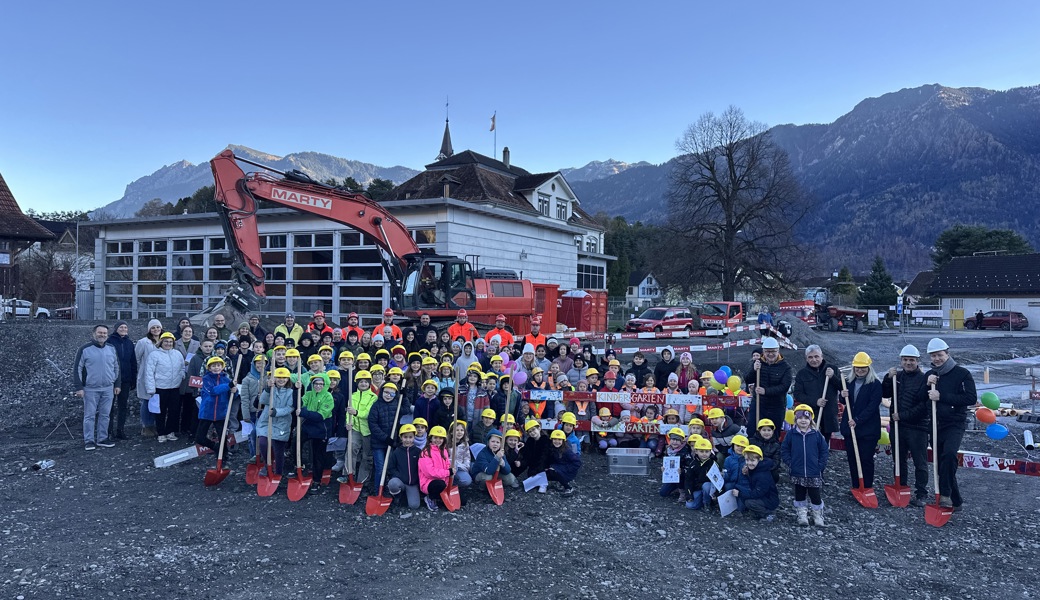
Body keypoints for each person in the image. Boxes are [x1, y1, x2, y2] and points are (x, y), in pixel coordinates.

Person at [918, 337, 976, 511]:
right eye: (933, 356)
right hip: (935, 423)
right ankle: (955, 500)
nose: (937, 359)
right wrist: (927, 386)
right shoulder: (930, 375)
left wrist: (941, 396)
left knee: (950, 455)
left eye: (940, 355)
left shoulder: (962, 373)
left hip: (954, 423)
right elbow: (920, 398)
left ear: (947, 354)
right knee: (941, 462)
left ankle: (944, 494)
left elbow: (970, 398)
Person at [882, 344, 931, 507]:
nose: (908, 363)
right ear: (901, 361)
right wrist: (888, 378)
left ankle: (921, 493)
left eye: (911, 360)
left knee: (920, 461)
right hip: (898, 427)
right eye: (905, 360)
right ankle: (901, 487)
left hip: (917, 428)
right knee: (899, 459)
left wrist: (902, 416)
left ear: (917, 360)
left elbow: (924, 406)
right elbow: (885, 393)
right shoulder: (898, 377)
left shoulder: (924, 379)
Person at [840, 352, 883, 490]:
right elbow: (845, 401)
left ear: (869, 367)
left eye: (863, 367)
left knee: (866, 459)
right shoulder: (848, 382)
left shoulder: (875, 384)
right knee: (852, 459)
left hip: (868, 429)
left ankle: (867, 487)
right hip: (850, 428)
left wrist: (857, 420)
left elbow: (872, 406)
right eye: (857, 367)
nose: (860, 370)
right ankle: (856, 486)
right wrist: (842, 395)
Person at [73, 324, 121, 450]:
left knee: (105, 414)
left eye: (105, 333)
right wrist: (79, 387)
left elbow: (116, 367)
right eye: (100, 333)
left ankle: (102, 438)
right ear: (94, 334)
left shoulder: (111, 348)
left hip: (108, 388)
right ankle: (89, 440)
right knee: (89, 415)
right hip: (90, 388)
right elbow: (77, 368)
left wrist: (117, 384)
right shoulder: (84, 349)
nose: (102, 335)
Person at [781, 404, 829, 526]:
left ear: (811, 420)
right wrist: (790, 463)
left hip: (814, 472)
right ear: (795, 419)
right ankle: (802, 515)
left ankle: (817, 515)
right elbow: (785, 449)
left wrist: (820, 465)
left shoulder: (816, 434)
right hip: (797, 471)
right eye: (800, 418)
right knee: (799, 494)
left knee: (815, 495)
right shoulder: (791, 434)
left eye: (806, 418)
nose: (803, 420)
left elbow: (824, 451)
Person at [144, 332, 185, 442]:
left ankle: (170, 431)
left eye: (170, 342)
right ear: (161, 342)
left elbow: (182, 367)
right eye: (166, 341)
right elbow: (149, 372)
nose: (168, 343)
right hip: (160, 387)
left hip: (175, 387)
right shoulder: (154, 355)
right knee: (160, 411)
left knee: (174, 411)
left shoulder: (177, 354)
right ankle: (161, 433)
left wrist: (182, 375)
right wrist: (150, 388)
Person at [792, 345, 840, 438]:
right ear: (806, 359)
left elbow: (842, 388)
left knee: (825, 444)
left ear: (822, 356)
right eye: (810, 357)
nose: (814, 360)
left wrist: (833, 377)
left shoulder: (833, 369)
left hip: (828, 414)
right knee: (810, 440)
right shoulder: (802, 374)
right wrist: (815, 401)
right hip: (811, 415)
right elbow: (798, 394)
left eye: (816, 356)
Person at [298, 375, 334, 493]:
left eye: (320, 384)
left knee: (318, 455)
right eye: (316, 384)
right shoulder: (308, 394)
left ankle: (317, 480)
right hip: (308, 425)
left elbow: (319, 416)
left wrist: (304, 412)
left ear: (324, 385)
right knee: (295, 442)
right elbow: (299, 403)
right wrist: (296, 389)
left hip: (321, 428)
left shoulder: (328, 397)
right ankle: (298, 466)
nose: (318, 386)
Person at [257, 367, 295, 478]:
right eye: (278, 377)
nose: (281, 379)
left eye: (284, 377)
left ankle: (278, 472)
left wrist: (277, 412)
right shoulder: (270, 389)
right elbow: (262, 401)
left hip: (282, 422)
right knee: (263, 443)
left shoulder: (290, 392)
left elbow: (290, 408)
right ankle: (267, 464)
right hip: (266, 420)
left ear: (288, 379)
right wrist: (268, 389)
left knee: (278, 449)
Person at [195, 356, 236, 458]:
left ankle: (224, 456)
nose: (216, 368)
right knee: (200, 438)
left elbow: (232, 396)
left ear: (222, 367)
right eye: (213, 366)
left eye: (218, 365)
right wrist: (228, 386)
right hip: (207, 412)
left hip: (221, 412)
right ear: (209, 368)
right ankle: (215, 447)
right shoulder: (205, 379)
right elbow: (212, 391)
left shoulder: (226, 379)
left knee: (223, 437)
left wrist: (234, 392)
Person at [341, 369, 376, 485]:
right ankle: (347, 474)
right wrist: (348, 422)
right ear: (357, 383)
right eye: (361, 382)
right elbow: (348, 412)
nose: (363, 384)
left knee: (367, 455)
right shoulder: (353, 395)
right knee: (351, 450)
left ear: (369, 383)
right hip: (355, 428)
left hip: (367, 430)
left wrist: (356, 412)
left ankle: (363, 479)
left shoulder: (373, 397)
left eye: (366, 382)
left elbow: (367, 413)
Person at [750, 338, 792, 431]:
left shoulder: (786, 367)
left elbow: (784, 387)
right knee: (753, 431)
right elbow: (748, 379)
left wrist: (765, 391)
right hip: (759, 404)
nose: (770, 354)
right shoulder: (757, 363)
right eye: (767, 351)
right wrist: (753, 370)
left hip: (776, 406)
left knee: (773, 433)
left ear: (778, 350)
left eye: (773, 351)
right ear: (763, 351)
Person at [106, 321, 136, 440]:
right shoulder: (110, 342)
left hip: (126, 379)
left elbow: (132, 361)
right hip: (112, 379)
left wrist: (133, 378)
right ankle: (109, 431)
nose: (123, 329)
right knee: (110, 407)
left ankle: (120, 430)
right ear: (116, 329)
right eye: (121, 327)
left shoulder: (129, 343)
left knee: (123, 406)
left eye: (125, 327)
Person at [733, 444, 779, 522]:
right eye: (747, 460)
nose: (749, 463)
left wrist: (740, 494)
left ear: (759, 460)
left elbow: (757, 493)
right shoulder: (756, 468)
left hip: (769, 499)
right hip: (764, 496)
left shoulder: (762, 475)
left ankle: (768, 514)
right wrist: (747, 473)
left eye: (752, 460)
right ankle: (760, 511)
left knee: (749, 502)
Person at [369, 382, 402, 485]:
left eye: (392, 394)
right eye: (386, 392)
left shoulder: (397, 404)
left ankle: (389, 489)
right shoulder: (376, 406)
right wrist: (386, 438)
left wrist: (403, 396)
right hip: (378, 443)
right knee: (380, 467)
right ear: (382, 392)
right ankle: (378, 490)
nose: (388, 395)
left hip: (392, 443)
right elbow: (373, 425)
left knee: (390, 467)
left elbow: (406, 409)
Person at [135, 319, 163, 438]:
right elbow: (136, 358)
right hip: (146, 376)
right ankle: (147, 426)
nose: (156, 330)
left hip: (160, 377)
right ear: (149, 330)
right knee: (146, 401)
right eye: (153, 328)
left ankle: (155, 425)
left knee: (156, 402)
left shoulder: (165, 340)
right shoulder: (143, 342)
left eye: (158, 327)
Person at [387, 423, 422, 509]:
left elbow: (422, 468)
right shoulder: (397, 452)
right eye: (405, 437)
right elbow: (391, 468)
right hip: (401, 481)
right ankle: (398, 497)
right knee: (393, 484)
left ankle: (408, 496)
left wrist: (418, 480)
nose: (408, 440)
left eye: (410, 437)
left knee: (414, 506)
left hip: (413, 483)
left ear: (414, 437)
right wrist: (400, 476)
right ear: (401, 437)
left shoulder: (418, 451)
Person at [419, 425, 452, 511]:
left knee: (463, 501)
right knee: (439, 484)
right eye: (435, 437)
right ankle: (430, 497)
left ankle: (440, 497)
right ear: (430, 438)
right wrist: (448, 472)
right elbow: (429, 472)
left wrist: (451, 470)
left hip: (443, 480)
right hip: (429, 482)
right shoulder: (425, 452)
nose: (438, 440)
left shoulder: (444, 451)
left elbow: (447, 465)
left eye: (441, 438)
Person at [683, 438, 717, 511]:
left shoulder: (713, 463)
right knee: (690, 505)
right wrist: (689, 495)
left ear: (710, 452)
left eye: (707, 451)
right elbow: (688, 481)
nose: (704, 454)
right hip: (698, 488)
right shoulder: (692, 464)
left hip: (709, 488)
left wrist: (717, 494)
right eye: (701, 451)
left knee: (706, 486)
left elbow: (718, 480)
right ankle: (702, 500)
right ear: (696, 451)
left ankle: (707, 503)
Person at [659, 427, 691, 501]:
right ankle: (676, 487)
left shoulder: (685, 451)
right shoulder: (668, 450)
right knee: (663, 493)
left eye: (678, 440)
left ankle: (682, 491)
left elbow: (689, 467)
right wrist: (663, 468)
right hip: (672, 476)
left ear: (682, 441)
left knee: (681, 477)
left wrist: (682, 471)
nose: (675, 442)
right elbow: (666, 461)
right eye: (673, 439)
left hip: (683, 477)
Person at [545, 429, 581, 495]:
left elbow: (577, 462)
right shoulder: (551, 448)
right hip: (558, 467)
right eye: (555, 439)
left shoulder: (567, 451)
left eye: (559, 440)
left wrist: (561, 469)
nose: (557, 441)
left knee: (555, 472)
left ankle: (568, 488)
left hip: (568, 471)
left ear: (563, 441)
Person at [749, 418, 781, 484]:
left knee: (775, 475)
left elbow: (776, 461)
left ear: (772, 432)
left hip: (768, 469)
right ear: (759, 431)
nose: (766, 432)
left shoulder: (776, 445)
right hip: (753, 467)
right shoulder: (752, 441)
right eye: (764, 430)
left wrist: (765, 468)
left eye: (769, 430)